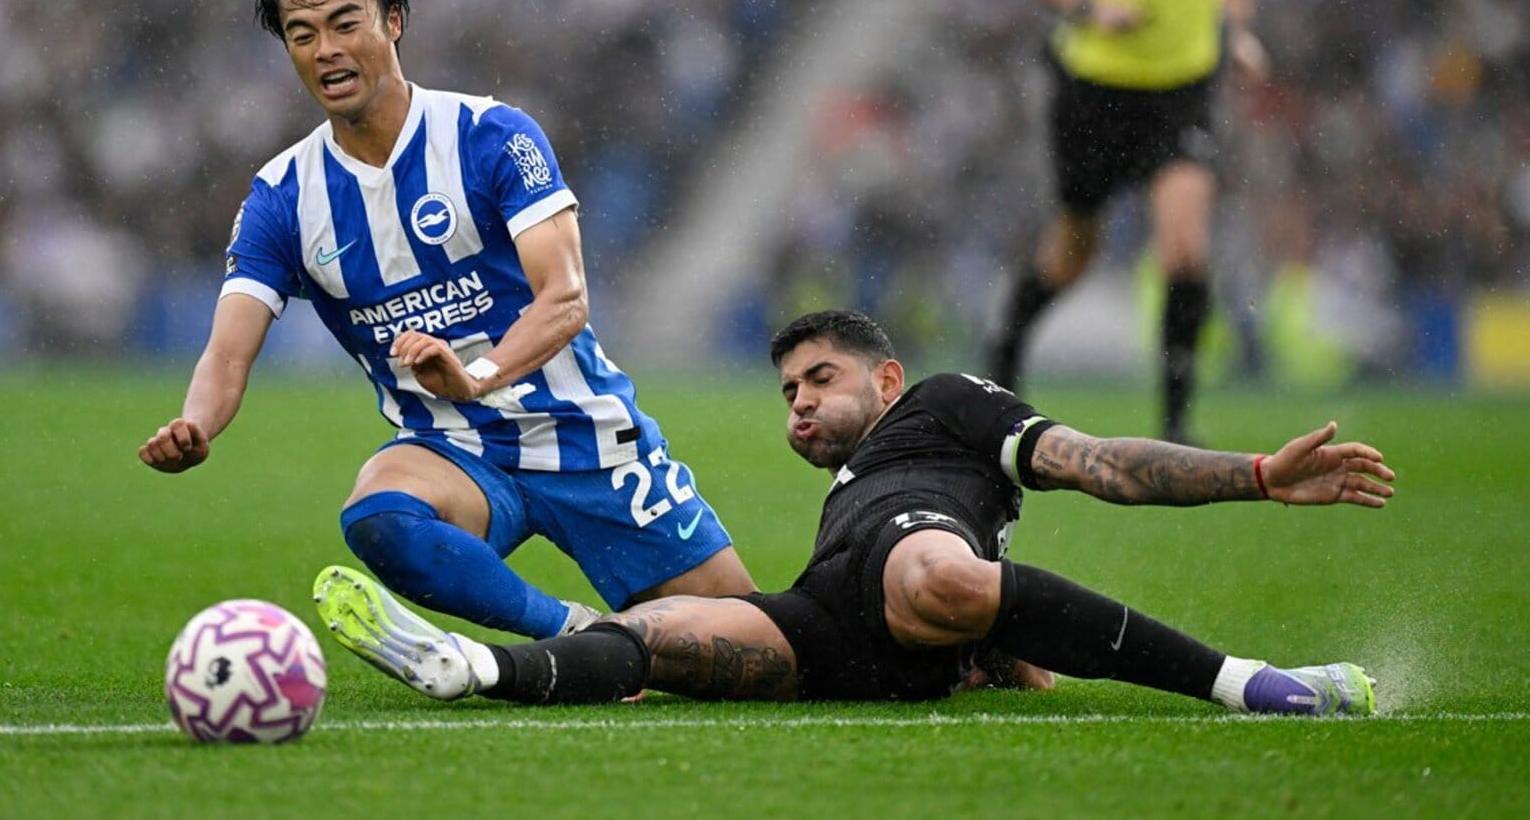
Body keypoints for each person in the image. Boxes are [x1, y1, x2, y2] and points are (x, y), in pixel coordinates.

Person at [138, 0, 754, 638]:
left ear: (393, 21)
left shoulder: (492, 136)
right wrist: (197, 423)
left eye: (344, 23)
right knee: (379, 517)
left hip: (583, 434)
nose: (326, 49)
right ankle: (577, 636)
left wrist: (478, 373)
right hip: (451, 450)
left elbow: (566, 298)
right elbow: (228, 351)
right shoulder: (282, 196)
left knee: (752, 644)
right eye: (301, 34)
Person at [314, 309, 1392, 714]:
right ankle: (468, 667)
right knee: (645, 637)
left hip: (920, 588)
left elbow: (1097, 460)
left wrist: (1251, 472)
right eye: (785, 392)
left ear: (884, 381)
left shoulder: (944, 405)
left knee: (932, 573)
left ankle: (1255, 685)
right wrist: (1013, 656)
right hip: (827, 628)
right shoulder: (842, 489)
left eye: (817, 379)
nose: (798, 404)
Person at [988, 0, 1269, 442]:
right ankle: (1006, 347)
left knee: (1184, 249)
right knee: (1073, 250)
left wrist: (1236, 28)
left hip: (1181, 88)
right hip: (1094, 87)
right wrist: (1085, 4)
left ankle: (1175, 418)